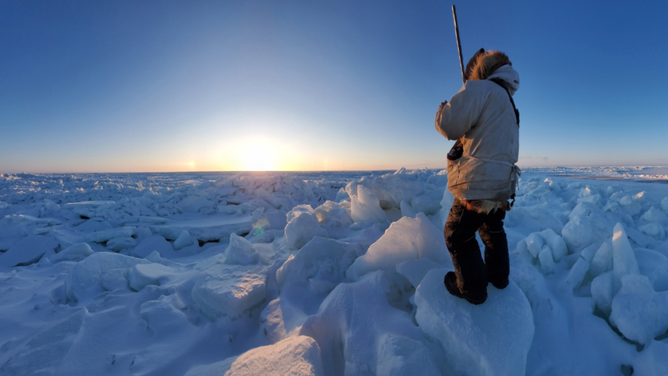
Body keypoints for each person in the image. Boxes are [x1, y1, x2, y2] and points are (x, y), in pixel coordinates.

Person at [435, 49, 520, 304]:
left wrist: (443, 108)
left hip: (477, 181)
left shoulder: (480, 89)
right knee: (493, 228)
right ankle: (498, 277)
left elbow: (449, 125)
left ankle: (472, 288)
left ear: (482, 70)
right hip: (502, 183)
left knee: (456, 233)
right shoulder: (508, 102)